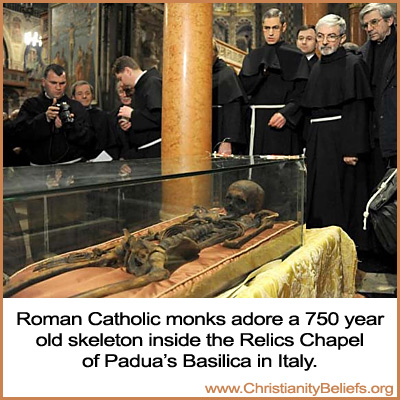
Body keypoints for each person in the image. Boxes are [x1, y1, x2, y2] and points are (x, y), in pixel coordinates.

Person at [301, 14, 373, 250]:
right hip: (318, 140)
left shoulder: (353, 64)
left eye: (331, 36)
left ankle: (345, 251)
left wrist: (352, 149)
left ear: (342, 38)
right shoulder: (317, 67)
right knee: (318, 194)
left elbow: (358, 109)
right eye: (320, 36)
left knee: (341, 197)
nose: (324, 42)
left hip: (341, 141)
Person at [239, 8, 309, 156]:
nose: (270, 33)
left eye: (275, 28)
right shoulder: (252, 57)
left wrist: (286, 114)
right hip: (256, 124)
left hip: (284, 123)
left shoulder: (296, 56)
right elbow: (243, 91)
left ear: (283, 27)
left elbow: (302, 92)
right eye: (267, 28)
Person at [14, 64, 94, 165]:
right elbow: (20, 134)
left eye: (62, 83)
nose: (58, 87)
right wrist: (45, 119)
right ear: (43, 82)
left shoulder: (76, 106)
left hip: (73, 166)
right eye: (53, 83)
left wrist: (70, 126)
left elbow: (89, 139)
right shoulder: (31, 105)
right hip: (40, 170)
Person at [359, 3, 397, 187]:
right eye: (366, 25)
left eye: (374, 22)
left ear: (390, 20)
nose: (369, 29)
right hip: (373, 134)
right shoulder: (363, 53)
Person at [112, 56, 162, 159]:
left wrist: (132, 114)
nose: (121, 83)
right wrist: (131, 122)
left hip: (153, 150)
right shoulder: (142, 85)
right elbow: (146, 113)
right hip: (144, 149)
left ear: (128, 71)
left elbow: (158, 116)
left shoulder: (151, 82)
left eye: (120, 78)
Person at [212, 40, 248, 155]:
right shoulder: (193, 74)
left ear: (214, 54)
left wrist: (227, 141)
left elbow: (233, 113)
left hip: (220, 137)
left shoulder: (226, 74)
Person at [71, 80, 119, 159]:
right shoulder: (70, 117)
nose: (84, 96)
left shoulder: (103, 116)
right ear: (73, 97)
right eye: (80, 94)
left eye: (87, 93)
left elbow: (111, 143)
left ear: (92, 96)